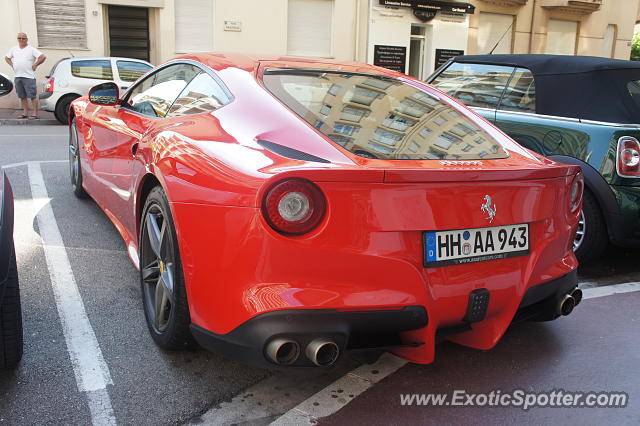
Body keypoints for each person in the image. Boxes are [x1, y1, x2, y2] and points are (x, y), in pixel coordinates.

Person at [5, 32, 46, 119]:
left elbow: (42, 57)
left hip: (29, 76)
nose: (21, 40)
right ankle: (25, 113)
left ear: (26, 39)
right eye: (19, 38)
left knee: (32, 96)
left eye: (23, 38)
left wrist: (35, 65)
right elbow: (7, 58)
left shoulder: (31, 49)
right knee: (22, 96)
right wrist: (12, 65)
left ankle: (35, 113)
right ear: (17, 39)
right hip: (18, 76)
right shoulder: (14, 49)